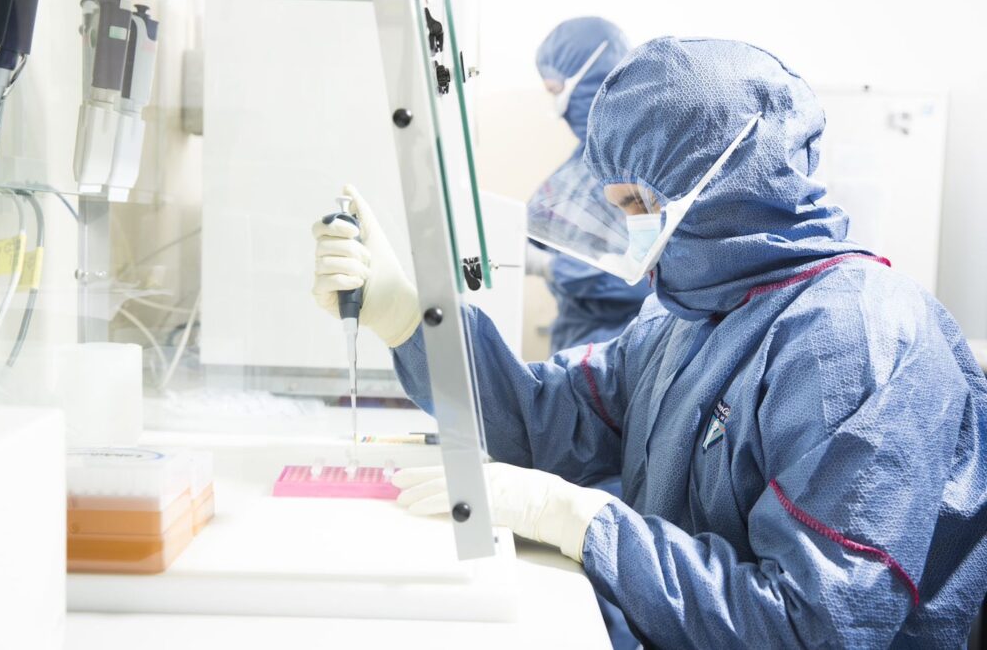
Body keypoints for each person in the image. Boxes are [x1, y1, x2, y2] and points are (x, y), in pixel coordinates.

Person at [312, 37, 987, 647]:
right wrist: (406, 315)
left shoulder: (853, 340)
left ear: (728, 183)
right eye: (618, 203)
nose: (629, 226)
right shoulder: (688, 317)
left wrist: (585, 521)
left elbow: (813, 624)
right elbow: (546, 417)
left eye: (640, 203)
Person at [527, 17, 652, 355]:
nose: (557, 107)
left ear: (587, 76)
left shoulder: (643, 161)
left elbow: (647, 277)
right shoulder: (582, 160)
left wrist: (551, 267)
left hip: (623, 353)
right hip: (574, 351)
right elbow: (544, 210)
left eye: (555, 91)